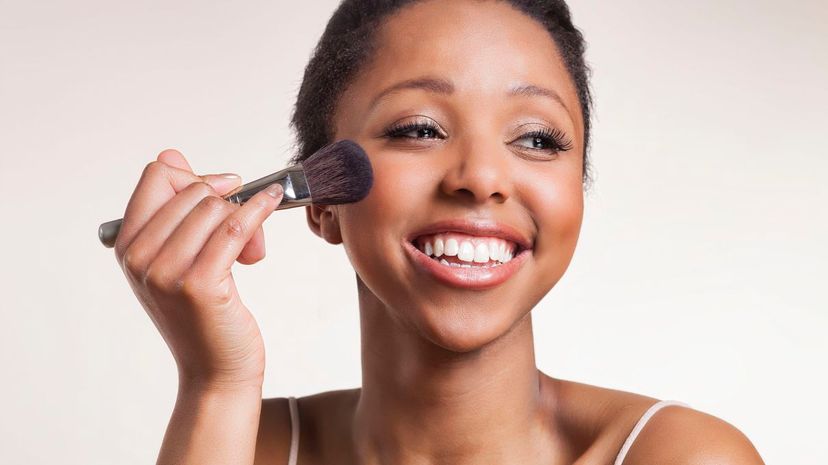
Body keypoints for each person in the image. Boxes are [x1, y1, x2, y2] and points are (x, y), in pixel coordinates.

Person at [113, 0, 766, 463]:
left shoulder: (679, 456)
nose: (481, 177)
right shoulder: (242, 444)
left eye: (537, 138)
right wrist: (215, 383)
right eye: (419, 129)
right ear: (322, 202)